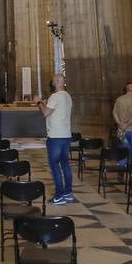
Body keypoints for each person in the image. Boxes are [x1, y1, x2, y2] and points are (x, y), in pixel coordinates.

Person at [37, 73, 74, 204]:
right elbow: (57, 110)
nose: (52, 83)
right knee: (65, 164)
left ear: (58, 82)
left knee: (54, 165)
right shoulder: (68, 96)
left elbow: (46, 113)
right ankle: (68, 192)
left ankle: (59, 195)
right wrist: (47, 103)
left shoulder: (55, 96)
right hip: (66, 135)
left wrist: (39, 103)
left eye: (53, 81)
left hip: (55, 136)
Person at [112, 81, 132, 173]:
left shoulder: (119, 99)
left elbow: (114, 113)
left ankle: (122, 170)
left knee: (123, 151)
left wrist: (120, 124)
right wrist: (126, 124)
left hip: (122, 131)